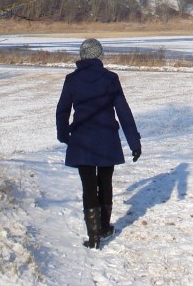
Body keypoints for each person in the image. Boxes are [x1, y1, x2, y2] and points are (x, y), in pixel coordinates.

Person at [56, 38, 142, 249]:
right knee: (105, 182)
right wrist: (134, 142)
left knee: (88, 187)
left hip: (82, 141)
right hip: (106, 140)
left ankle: (94, 237)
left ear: (82, 55)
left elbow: (62, 110)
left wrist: (64, 135)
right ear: (99, 55)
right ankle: (104, 227)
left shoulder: (72, 79)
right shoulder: (110, 78)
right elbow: (123, 111)